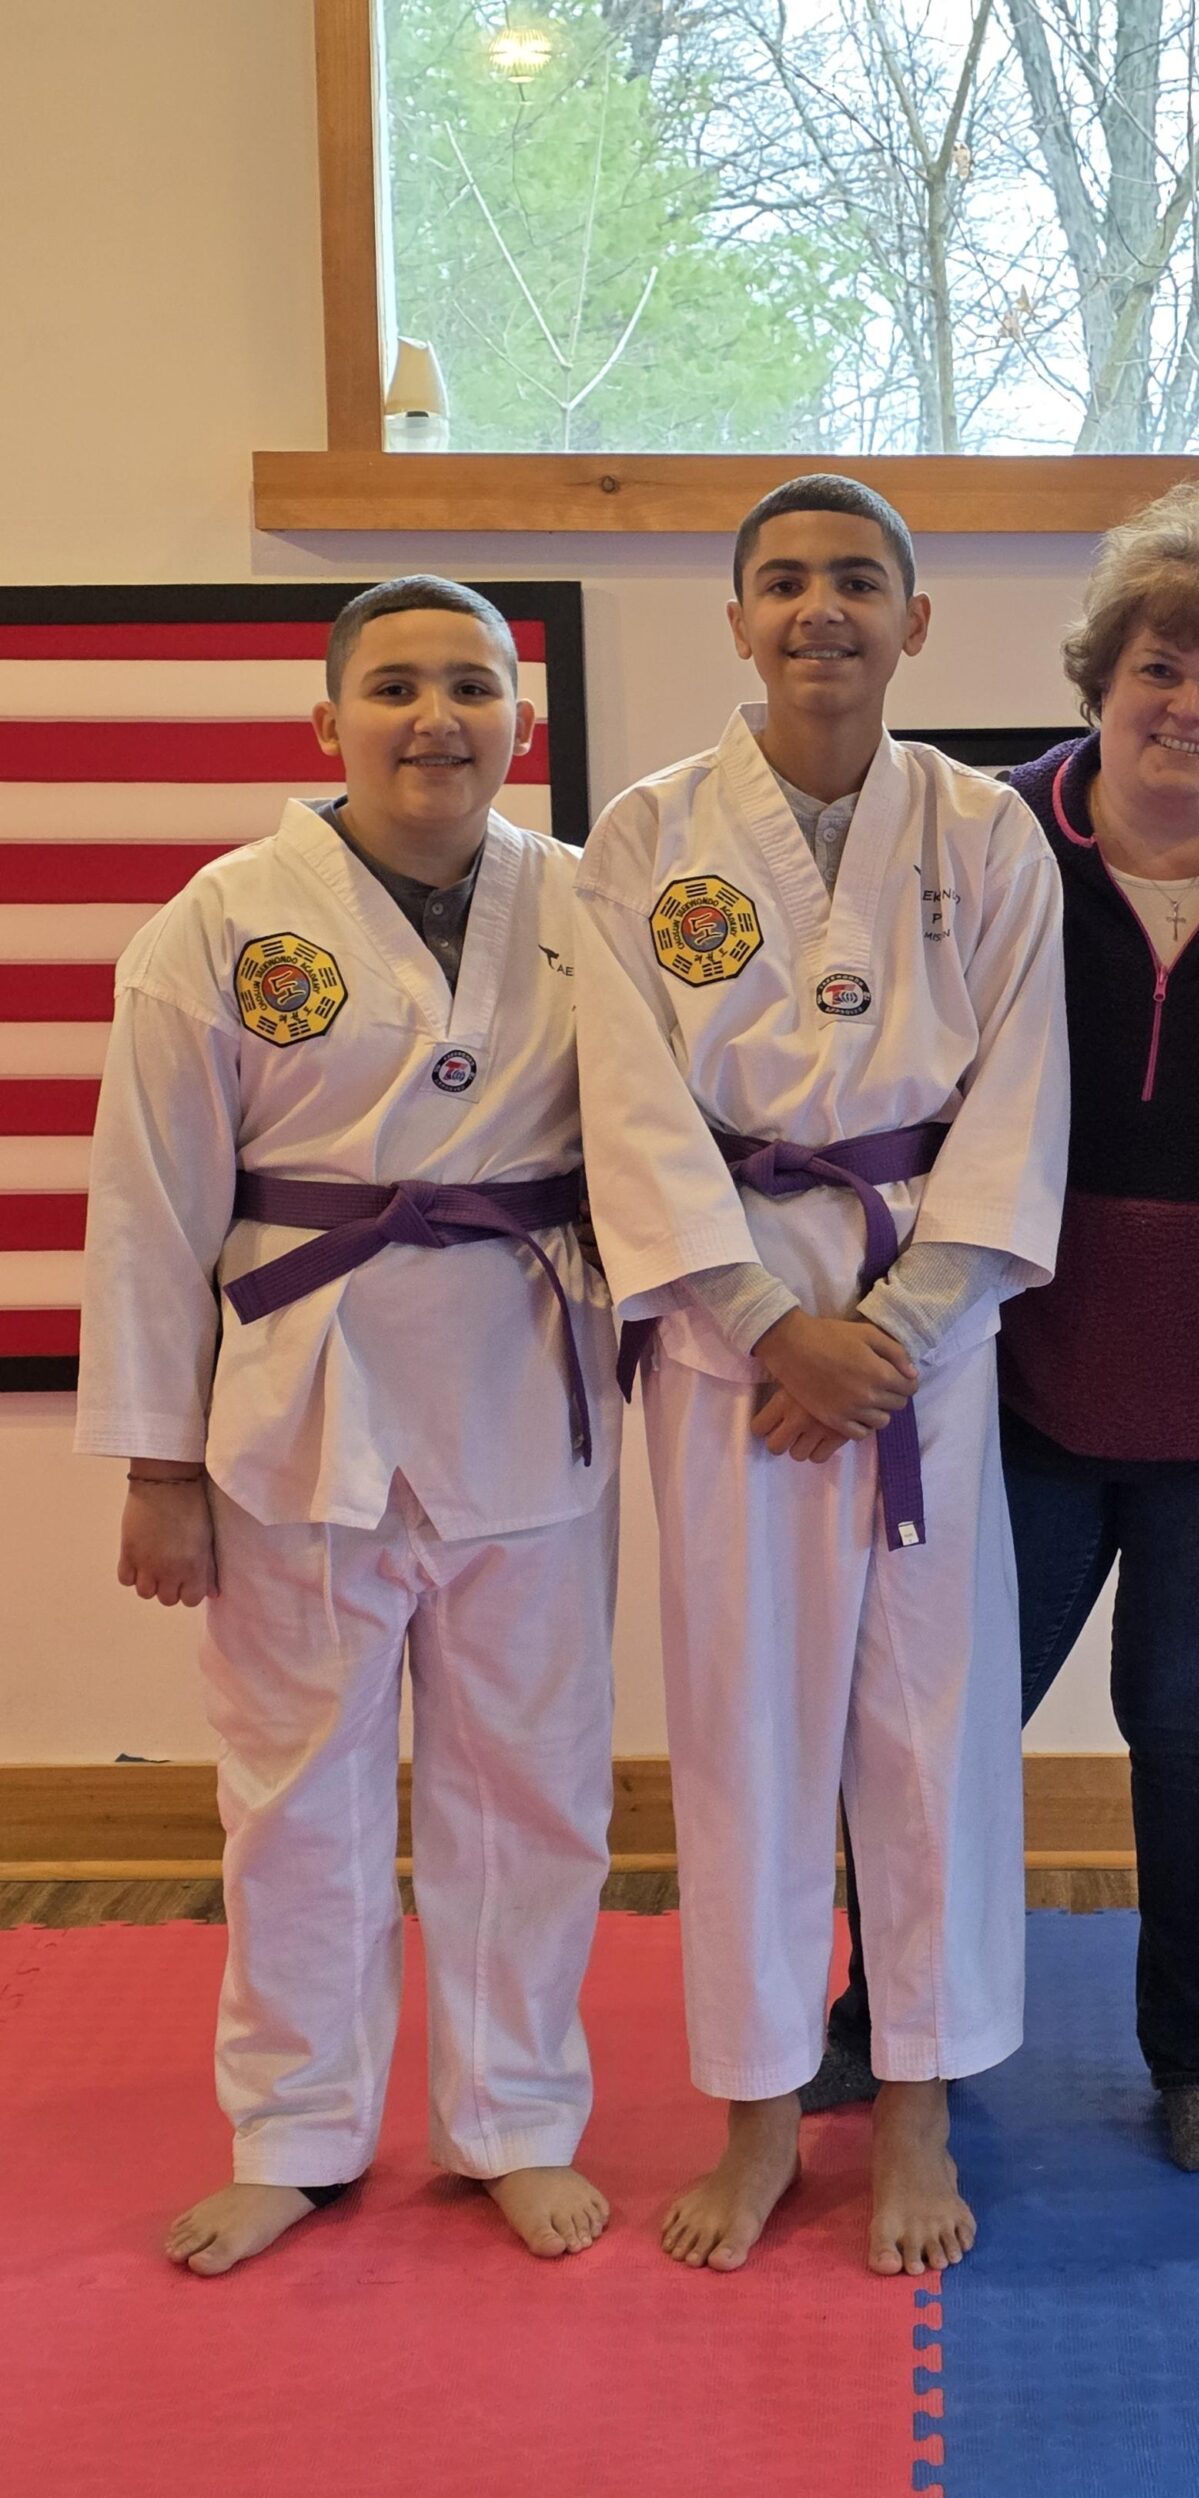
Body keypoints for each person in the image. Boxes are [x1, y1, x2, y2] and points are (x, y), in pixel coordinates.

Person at [808, 479, 1199, 2172]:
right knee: (929, 1727)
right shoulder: (982, 849)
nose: (1189, 708)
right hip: (1005, 1378)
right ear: (1100, 680)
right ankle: (890, 2021)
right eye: (1160, 670)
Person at [75, 575, 622, 2274]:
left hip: (527, 1388)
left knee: (532, 1785)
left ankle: (514, 2116)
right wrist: (159, 1469)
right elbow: (151, 1210)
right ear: (327, 719)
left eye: (471, 684)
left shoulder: (587, 901)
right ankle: (297, 2132)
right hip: (297, 1406)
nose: (434, 717)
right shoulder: (220, 922)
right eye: (394, 687)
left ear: (519, 722)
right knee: (296, 1791)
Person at [574, 475, 1067, 2276]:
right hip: (734, 1345)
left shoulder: (987, 833)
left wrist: (896, 1330)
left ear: (915, 621)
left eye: (858, 580)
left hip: (927, 1335)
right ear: (737, 620)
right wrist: (765, 1325)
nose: (821, 610)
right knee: (744, 1728)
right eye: (783, 581)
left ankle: (919, 2098)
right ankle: (764, 2107)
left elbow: (1020, 1102)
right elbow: (625, 1102)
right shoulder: (646, 832)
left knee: (933, 1734)